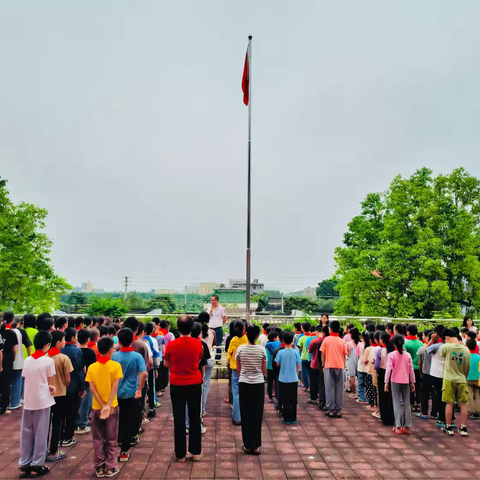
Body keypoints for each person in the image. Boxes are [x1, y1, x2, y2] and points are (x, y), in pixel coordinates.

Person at [164, 315, 204, 463]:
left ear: (178, 328)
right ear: (192, 327)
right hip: (194, 383)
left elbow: (166, 364)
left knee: (179, 418)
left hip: (177, 384)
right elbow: (198, 360)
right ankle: (195, 452)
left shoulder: (171, 345)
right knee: (194, 417)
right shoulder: (197, 344)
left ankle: (180, 454)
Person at [18, 330, 56, 479]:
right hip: (43, 400)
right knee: (41, 433)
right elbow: (49, 382)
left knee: (26, 433)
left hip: (29, 400)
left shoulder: (28, 360)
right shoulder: (48, 361)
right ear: (47, 345)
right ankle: (37, 464)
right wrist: (51, 387)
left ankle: (25, 463)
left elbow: (28, 378)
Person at [86, 336, 123, 478]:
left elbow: (92, 389)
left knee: (98, 439)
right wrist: (108, 405)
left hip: (96, 407)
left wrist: (101, 405)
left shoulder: (92, 367)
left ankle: (99, 467)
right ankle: (110, 467)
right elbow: (115, 387)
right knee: (112, 438)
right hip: (112, 407)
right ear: (109, 351)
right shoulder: (115, 366)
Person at [112, 328, 147, 463]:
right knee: (129, 420)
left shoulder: (114, 356)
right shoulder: (137, 356)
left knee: (117, 420)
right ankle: (124, 451)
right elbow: (143, 373)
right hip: (131, 393)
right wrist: (139, 388)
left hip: (116, 394)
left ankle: (118, 442)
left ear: (119, 341)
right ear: (132, 340)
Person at [236, 324, 266, 455]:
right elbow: (263, 370)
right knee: (257, 414)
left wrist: (245, 375)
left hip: (244, 383)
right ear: (258, 335)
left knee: (246, 414)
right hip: (258, 384)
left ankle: (247, 445)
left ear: (246, 334)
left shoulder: (241, 349)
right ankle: (256, 445)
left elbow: (238, 369)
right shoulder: (261, 350)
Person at [47, 330, 73, 462]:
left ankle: (43, 450)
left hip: (46, 394)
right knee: (58, 423)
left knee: (45, 424)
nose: (64, 342)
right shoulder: (63, 358)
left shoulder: (45, 357)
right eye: (63, 340)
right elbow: (67, 379)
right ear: (57, 342)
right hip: (61, 394)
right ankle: (53, 451)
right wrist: (63, 385)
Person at [441, 329, 470, 436]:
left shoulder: (446, 347)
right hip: (462, 378)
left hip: (449, 378)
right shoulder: (466, 350)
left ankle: (448, 427)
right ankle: (463, 428)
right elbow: (467, 366)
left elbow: (443, 356)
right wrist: (464, 377)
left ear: (447, 338)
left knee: (449, 403)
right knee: (463, 404)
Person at [61, 328, 86, 447]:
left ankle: (59, 436)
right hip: (74, 384)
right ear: (72, 338)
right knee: (71, 412)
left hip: (60, 386)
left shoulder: (59, 350)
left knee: (60, 413)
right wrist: (82, 387)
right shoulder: (76, 351)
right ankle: (68, 436)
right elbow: (80, 369)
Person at [385, 334, 415, 435]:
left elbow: (388, 369)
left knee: (396, 403)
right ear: (403, 343)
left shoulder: (391, 355)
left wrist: (386, 382)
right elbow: (411, 370)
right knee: (407, 404)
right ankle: (406, 426)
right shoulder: (408, 355)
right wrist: (412, 382)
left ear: (393, 344)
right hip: (406, 381)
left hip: (394, 381)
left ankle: (398, 426)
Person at [320, 320, 346, 418]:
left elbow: (323, 354)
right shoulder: (341, 340)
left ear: (330, 329)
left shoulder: (326, 340)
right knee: (339, 389)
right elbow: (344, 355)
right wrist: (343, 365)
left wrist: (323, 365)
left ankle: (331, 410)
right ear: (339, 330)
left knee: (329, 388)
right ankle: (338, 411)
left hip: (329, 366)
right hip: (340, 366)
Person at [275, 331, 301, 424]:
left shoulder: (281, 352)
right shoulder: (295, 352)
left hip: (283, 379)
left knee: (285, 399)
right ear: (292, 341)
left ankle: (286, 418)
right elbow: (298, 365)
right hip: (293, 379)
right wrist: (296, 375)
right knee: (293, 399)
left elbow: (277, 364)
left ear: (282, 340)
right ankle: (293, 418)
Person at [75, 328, 96, 435]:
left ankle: (76, 422)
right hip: (87, 379)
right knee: (86, 402)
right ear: (88, 339)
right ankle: (82, 423)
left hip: (76, 379)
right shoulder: (91, 352)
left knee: (76, 401)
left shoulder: (76, 350)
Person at [226, 320, 248, 425]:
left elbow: (228, 355)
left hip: (235, 369)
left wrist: (231, 363)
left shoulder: (233, 340)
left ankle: (237, 417)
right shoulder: (247, 339)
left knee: (236, 393)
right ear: (244, 328)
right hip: (246, 369)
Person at [426, 325, 447, 427]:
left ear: (437, 334)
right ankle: (448, 418)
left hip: (436, 374)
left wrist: (431, 340)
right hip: (446, 374)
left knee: (439, 397)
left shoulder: (436, 346)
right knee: (446, 397)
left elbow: (425, 349)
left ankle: (441, 418)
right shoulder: (448, 345)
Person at [10, 319, 32, 410]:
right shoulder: (20, 332)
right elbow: (28, 344)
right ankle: (15, 401)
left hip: (6, 361)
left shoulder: (3, 331)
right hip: (18, 360)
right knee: (18, 380)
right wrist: (30, 357)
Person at [0, 311, 18, 415]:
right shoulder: (11, 333)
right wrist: (13, 359)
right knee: (5, 385)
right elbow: (14, 349)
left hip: (4, 361)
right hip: (7, 362)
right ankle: (3, 407)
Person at [416, 331, 436, 420]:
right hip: (435, 374)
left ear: (428, 338)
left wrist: (420, 372)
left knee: (424, 394)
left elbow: (420, 363)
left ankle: (424, 413)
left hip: (425, 373)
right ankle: (434, 413)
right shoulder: (438, 348)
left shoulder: (422, 349)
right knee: (435, 394)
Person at [198, 311, 215, 416]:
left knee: (198, 385)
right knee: (206, 385)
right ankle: (202, 409)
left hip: (200, 360)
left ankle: (199, 409)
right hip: (210, 359)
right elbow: (213, 344)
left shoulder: (196, 331)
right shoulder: (211, 332)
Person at [375, 332, 394, 426]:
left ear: (382, 340)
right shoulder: (393, 350)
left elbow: (376, 365)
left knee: (383, 396)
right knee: (391, 396)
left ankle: (384, 417)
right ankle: (392, 417)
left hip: (382, 373)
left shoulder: (380, 351)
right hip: (392, 373)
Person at [404, 324, 423, 412]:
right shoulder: (420, 343)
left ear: (408, 332)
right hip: (419, 368)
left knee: (410, 386)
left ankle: (411, 403)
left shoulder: (406, 344)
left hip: (409, 369)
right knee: (418, 386)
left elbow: (404, 356)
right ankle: (418, 403)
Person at [207, 295, 227, 363]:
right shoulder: (209, 308)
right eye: (211, 300)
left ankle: (218, 359)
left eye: (213, 300)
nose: (211, 302)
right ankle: (209, 357)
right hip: (210, 328)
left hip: (218, 328)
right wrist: (210, 311)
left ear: (217, 300)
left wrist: (220, 324)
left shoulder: (221, 309)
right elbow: (207, 318)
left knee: (218, 344)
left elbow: (224, 318)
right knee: (209, 343)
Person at [307, 325, 323, 406]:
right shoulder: (325, 339)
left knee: (313, 382)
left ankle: (313, 398)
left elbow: (309, 350)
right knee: (322, 382)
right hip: (323, 365)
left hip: (314, 363)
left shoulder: (314, 340)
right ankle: (322, 398)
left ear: (316, 331)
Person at [466, 338, 480, 419]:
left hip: (468, 378)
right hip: (477, 379)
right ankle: (478, 411)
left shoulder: (466, 357)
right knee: (478, 396)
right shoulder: (478, 357)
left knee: (470, 395)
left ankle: (471, 411)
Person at [265, 331, 281, 403]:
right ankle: (277, 396)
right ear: (275, 338)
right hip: (276, 365)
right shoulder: (277, 344)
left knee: (270, 382)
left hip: (269, 365)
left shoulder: (268, 345)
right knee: (277, 381)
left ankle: (270, 397)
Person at [345, 327, 360, 399]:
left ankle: (353, 392)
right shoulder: (360, 343)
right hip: (359, 359)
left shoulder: (349, 343)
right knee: (359, 376)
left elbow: (346, 353)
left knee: (352, 375)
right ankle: (360, 393)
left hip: (351, 359)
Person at [356, 332, 369, 405]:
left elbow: (358, 356)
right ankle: (367, 399)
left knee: (360, 383)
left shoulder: (359, 345)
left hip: (360, 366)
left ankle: (361, 398)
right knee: (367, 384)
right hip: (367, 368)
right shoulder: (369, 346)